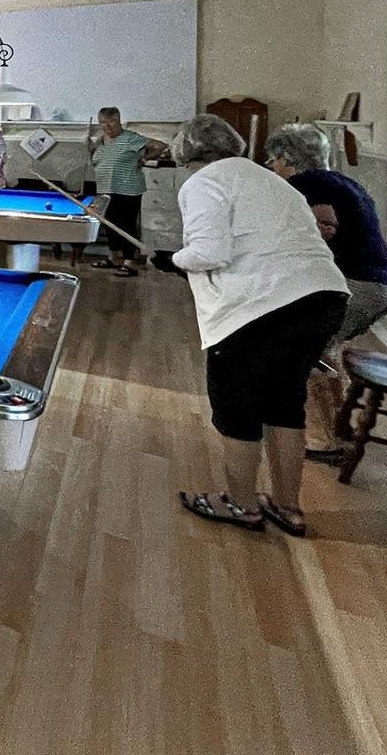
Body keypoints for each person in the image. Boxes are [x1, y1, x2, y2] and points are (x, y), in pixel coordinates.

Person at [153, 114, 348, 537]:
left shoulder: (203, 182)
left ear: (188, 151)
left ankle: (241, 504)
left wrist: (172, 259)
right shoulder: (272, 180)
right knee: (284, 403)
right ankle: (288, 506)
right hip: (324, 298)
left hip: (262, 307)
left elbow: (209, 252)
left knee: (237, 408)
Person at [264, 123, 387, 464]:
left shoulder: (303, 188)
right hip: (382, 286)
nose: (271, 165)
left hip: (358, 286)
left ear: (289, 159)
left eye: (275, 159)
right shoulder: (340, 182)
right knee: (322, 347)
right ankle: (337, 426)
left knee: (302, 350)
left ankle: (325, 441)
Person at [87, 106, 167, 276]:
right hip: (105, 189)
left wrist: (144, 159)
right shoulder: (99, 141)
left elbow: (161, 146)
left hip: (128, 189)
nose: (108, 126)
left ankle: (129, 262)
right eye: (103, 122)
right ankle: (114, 258)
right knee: (110, 225)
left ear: (119, 121)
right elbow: (97, 161)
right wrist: (90, 150)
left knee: (126, 225)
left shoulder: (130, 138)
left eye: (112, 121)